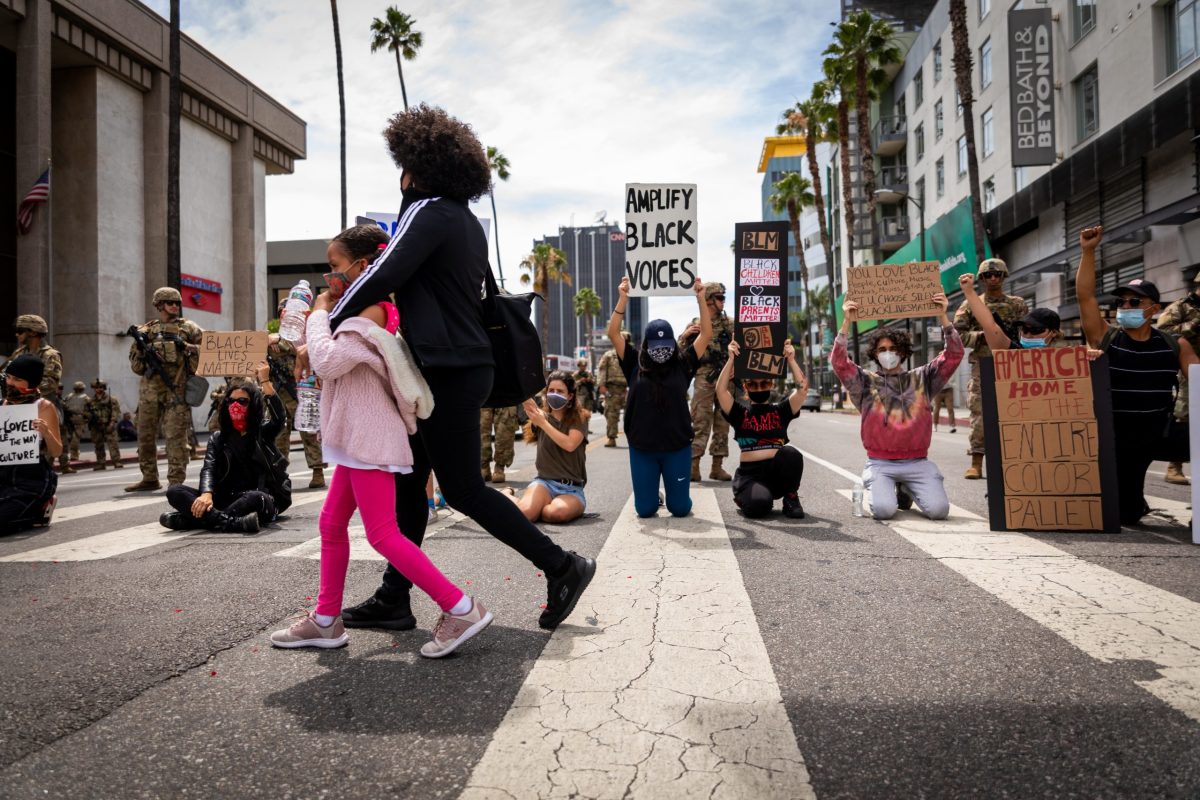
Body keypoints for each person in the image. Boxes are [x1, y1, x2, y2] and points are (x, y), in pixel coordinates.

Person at [324, 110, 595, 634]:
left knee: (465, 489)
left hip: (447, 370)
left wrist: (331, 320)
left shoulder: (427, 212)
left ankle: (562, 566)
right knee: (409, 483)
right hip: (453, 367)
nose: (399, 176)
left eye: (403, 165)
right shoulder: (463, 220)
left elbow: (385, 273)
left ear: (417, 168)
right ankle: (394, 597)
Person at [272, 280, 492, 658]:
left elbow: (328, 360)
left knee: (381, 534)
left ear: (361, 266)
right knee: (331, 522)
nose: (330, 279)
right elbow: (327, 355)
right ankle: (326, 619)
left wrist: (319, 310)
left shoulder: (370, 313)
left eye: (337, 266)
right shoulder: (359, 315)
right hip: (356, 434)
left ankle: (460, 608)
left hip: (369, 434)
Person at [1076, 226, 1199, 526]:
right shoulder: (1106, 338)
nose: (1125, 307)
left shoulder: (1175, 345)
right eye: (1121, 302)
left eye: (1135, 302)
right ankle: (1133, 501)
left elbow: (1197, 380)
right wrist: (1088, 251)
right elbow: (1085, 296)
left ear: (1154, 309)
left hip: (1160, 433)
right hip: (1119, 438)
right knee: (1126, 514)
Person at [832, 292, 962, 520]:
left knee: (939, 511)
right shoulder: (863, 382)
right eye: (882, 350)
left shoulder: (923, 378)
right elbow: (839, 363)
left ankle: (906, 488)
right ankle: (885, 485)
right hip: (880, 462)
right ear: (874, 353)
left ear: (902, 352)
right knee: (884, 511)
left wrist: (943, 316)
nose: (888, 353)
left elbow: (953, 355)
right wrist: (846, 322)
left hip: (918, 462)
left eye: (892, 349)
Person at [608, 274, 711, 518]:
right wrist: (623, 299)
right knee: (645, 510)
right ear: (646, 345)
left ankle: (676, 494)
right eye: (655, 346)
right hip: (643, 447)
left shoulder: (684, 363)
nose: (661, 351)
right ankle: (654, 493)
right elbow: (613, 333)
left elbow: (705, 334)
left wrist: (701, 299)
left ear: (674, 346)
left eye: (666, 346)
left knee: (680, 508)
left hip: (677, 447)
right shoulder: (633, 363)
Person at [161, 363, 291, 534]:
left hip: (260, 497)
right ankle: (230, 522)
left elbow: (279, 417)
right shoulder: (218, 438)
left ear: (253, 405)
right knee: (174, 491)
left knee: (255, 498)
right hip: (226, 498)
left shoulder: (263, 432)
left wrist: (265, 380)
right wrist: (206, 494)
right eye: (231, 401)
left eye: (243, 401)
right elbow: (209, 468)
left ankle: (192, 520)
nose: (236, 405)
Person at [714, 340, 807, 519]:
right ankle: (744, 494)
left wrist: (792, 360)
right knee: (759, 507)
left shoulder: (781, 411)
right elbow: (721, 390)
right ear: (746, 388)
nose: (759, 388)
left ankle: (791, 498)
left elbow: (802, 390)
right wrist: (731, 359)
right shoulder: (740, 413)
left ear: (771, 384)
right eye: (754, 385)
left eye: (764, 383)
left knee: (791, 454)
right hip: (751, 475)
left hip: (776, 473)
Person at [953, 259, 1028, 479]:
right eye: (988, 275)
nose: (993, 278)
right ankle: (977, 461)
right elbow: (957, 335)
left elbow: (1028, 331)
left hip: (1013, 364)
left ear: (1004, 276)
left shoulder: (1017, 304)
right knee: (980, 413)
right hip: (983, 366)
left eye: (997, 274)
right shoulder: (970, 304)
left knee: (1017, 411)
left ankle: (1018, 460)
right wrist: (982, 336)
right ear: (982, 279)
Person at [126, 287, 203, 491]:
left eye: (177, 303)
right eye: (170, 303)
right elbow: (136, 367)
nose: (175, 306)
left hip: (177, 389)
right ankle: (149, 478)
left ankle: (176, 482)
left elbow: (209, 352)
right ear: (159, 305)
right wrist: (142, 350)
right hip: (150, 391)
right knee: (145, 435)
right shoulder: (147, 331)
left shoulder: (190, 328)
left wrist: (186, 347)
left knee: (176, 437)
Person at [504, 371, 590, 524]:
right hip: (544, 483)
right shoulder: (540, 416)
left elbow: (570, 444)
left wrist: (543, 423)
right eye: (551, 391)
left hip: (571, 489)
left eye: (560, 391)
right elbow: (525, 399)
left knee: (556, 513)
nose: (554, 394)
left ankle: (541, 506)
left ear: (570, 396)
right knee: (525, 514)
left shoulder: (580, 417)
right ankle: (507, 495)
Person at [0, 355, 62, 535]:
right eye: (9, 377)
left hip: (30, 479)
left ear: (31, 383)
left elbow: (56, 451)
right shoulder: (2, 405)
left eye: (18, 379)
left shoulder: (43, 406)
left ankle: (40, 509)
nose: (10, 383)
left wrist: (46, 432)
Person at [679, 281, 734, 482]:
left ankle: (717, 467)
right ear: (709, 300)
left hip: (726, 378)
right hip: (704, 376)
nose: (723, 301)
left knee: (723, 422)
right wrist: (685, 336)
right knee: (700, 421)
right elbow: (679, 352)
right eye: (719, 297)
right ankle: (693, 466)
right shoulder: (696, 324)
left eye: (723, 297)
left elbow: (742, 347)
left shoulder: (730, 324)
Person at [266, 314, 327, 489]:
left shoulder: (304, 336)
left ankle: (317, 471)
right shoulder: (271, 338)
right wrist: (269, 340)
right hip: (280, 394)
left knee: (309, 432)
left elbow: (305, 349)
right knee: (279, 436)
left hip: (300, 390)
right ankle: (280, 474)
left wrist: (280, 340)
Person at [1154, 276, 1200, 486]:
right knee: (1185, 415)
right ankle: (1175, 465)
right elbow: (1164, 332)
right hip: (1188, 367)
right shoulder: (1181, 307)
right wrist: (1195, 323)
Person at [8, 314, 68, 474]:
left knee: (41, 462)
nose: (17, 334)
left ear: (33, 332)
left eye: (20, 331)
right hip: (18, 413)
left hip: (42, 411)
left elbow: (50, 383)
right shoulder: (18, 353)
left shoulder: (50, 355)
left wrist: (21, 389)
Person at [597, 334, 629, 447]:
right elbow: (601, 370)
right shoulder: (609, 355)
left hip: (627, 389)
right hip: (612, 389)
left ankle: (634, 437)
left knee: (633, 415)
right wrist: (601, 385)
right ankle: (612, 438)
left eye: (626, 340)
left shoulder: (631, 355)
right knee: (611, 414)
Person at [88, 379, 123, 470]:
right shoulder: (90, 401)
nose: (99, 389)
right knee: (98, 445)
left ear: (104, 388)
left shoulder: (111, 399)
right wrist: (91, 419)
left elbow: (116, 412)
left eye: (100, 387)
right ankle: (101, 463)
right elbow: (86, 412)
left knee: (113, 444)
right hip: (96, 427)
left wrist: (112, 423)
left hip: (108, 424)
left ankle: (117, 461)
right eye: (97, 388)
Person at [480, 406, 518, 483]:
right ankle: (484, 467)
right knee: (481, 428)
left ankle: (499, 468)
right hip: (481, 396)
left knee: (504, 430)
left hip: (504, 396)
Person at [62, 380, 91, 463]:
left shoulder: (86, 398)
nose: (78, 389)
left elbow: (91, 410)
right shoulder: (69, 396)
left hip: (80, 420)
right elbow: (63, 404)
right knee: (70, 438)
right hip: (70, 420)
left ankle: (74, 455)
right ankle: (73, 453)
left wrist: (87, 417)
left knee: (75, 439)